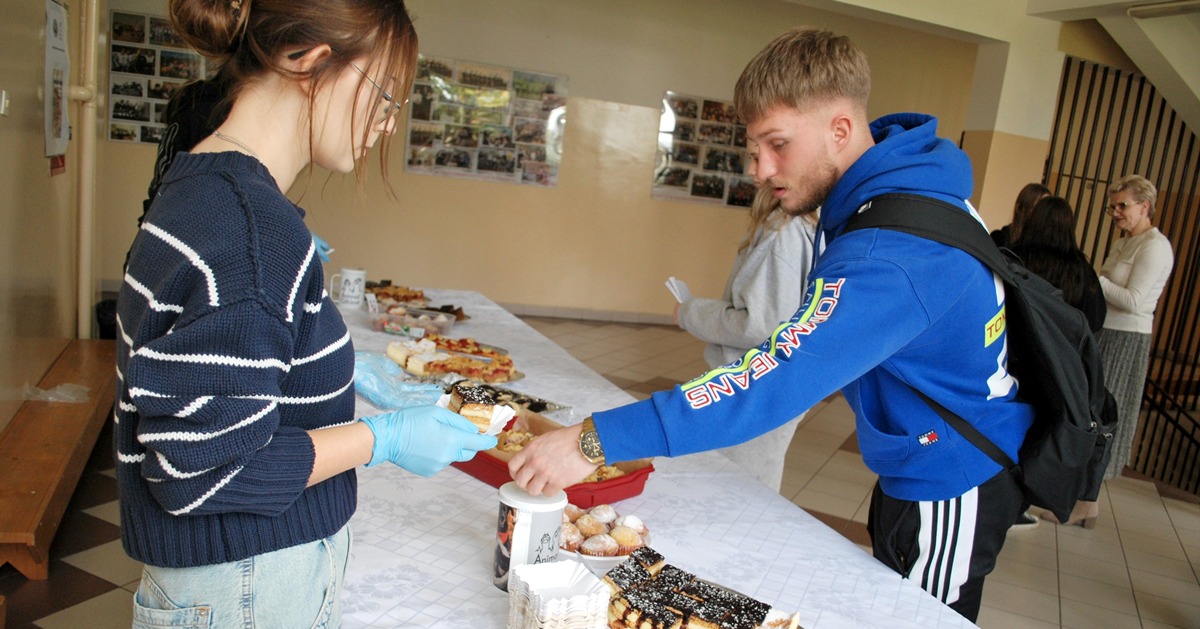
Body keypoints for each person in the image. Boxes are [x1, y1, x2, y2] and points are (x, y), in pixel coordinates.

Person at [510, 27, 1033, 622]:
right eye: (755, 147)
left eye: (778, 144)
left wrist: (595, 440)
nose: (761, 169)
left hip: (950, 477)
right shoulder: (899, 191)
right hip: (920, 460)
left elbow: (774, 377)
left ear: (841, 129)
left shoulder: (891, 251)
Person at [114, 1, 496, 626]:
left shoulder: (202, 183)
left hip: (230, 576)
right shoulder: (251, 232)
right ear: (310, 62)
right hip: (248, 580)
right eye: (384, 97)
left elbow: (219, 370)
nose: (386, 126)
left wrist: (331, 364)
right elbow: (204, 474)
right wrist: (383, 439)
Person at [1048, 175, 1174, 527]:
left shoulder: (1155, 246)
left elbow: (1133, 301)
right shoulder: (1125, 242)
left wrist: (1095, 280)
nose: (1115, 212)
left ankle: (1087, 501)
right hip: (1106, 334)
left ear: (1144, 206)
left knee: (1104, 420)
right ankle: (1081, 497)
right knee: (1089, 413)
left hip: (1127, 339)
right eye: (1112, 206)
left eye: (1122, 206)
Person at [674, 186, 817, 492]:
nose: (755, 171)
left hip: (753, 387)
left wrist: (689, 312)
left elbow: (760, 324)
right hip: (771, 387)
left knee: (734, 489)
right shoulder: (801, 226)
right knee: (752, 485)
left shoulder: (783, 231)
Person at [1005, 195, 1105, 529]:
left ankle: (1006, 500)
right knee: (1045, 431)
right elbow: (1095, 320)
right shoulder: (1081, 271)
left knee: (1011, 428)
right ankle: (1032, 494)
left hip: (1015, 359)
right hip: (1060, 368)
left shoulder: (1015, 257)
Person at [990, 182, 1050, 249]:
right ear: (1019, 209)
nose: (1043, 214)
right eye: (1037, 208)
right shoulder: (999, 239)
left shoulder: (1047, 245)